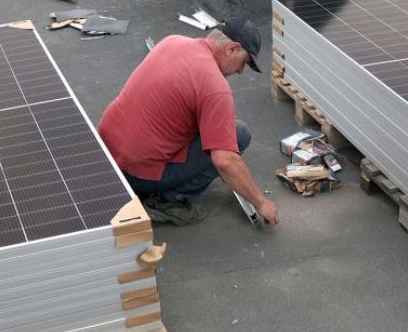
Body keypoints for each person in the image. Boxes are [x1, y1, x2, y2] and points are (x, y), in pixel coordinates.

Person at [99, 18, 280, 227]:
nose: (240, 71)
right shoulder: (215, 86)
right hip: (136, 176)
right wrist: (260, 202)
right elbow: (224, 160)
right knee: (239, 134)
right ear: (232, 49)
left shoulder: (172, 41)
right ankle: (165, 200)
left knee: (214, 129)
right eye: (245, 62)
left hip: (105, 157)